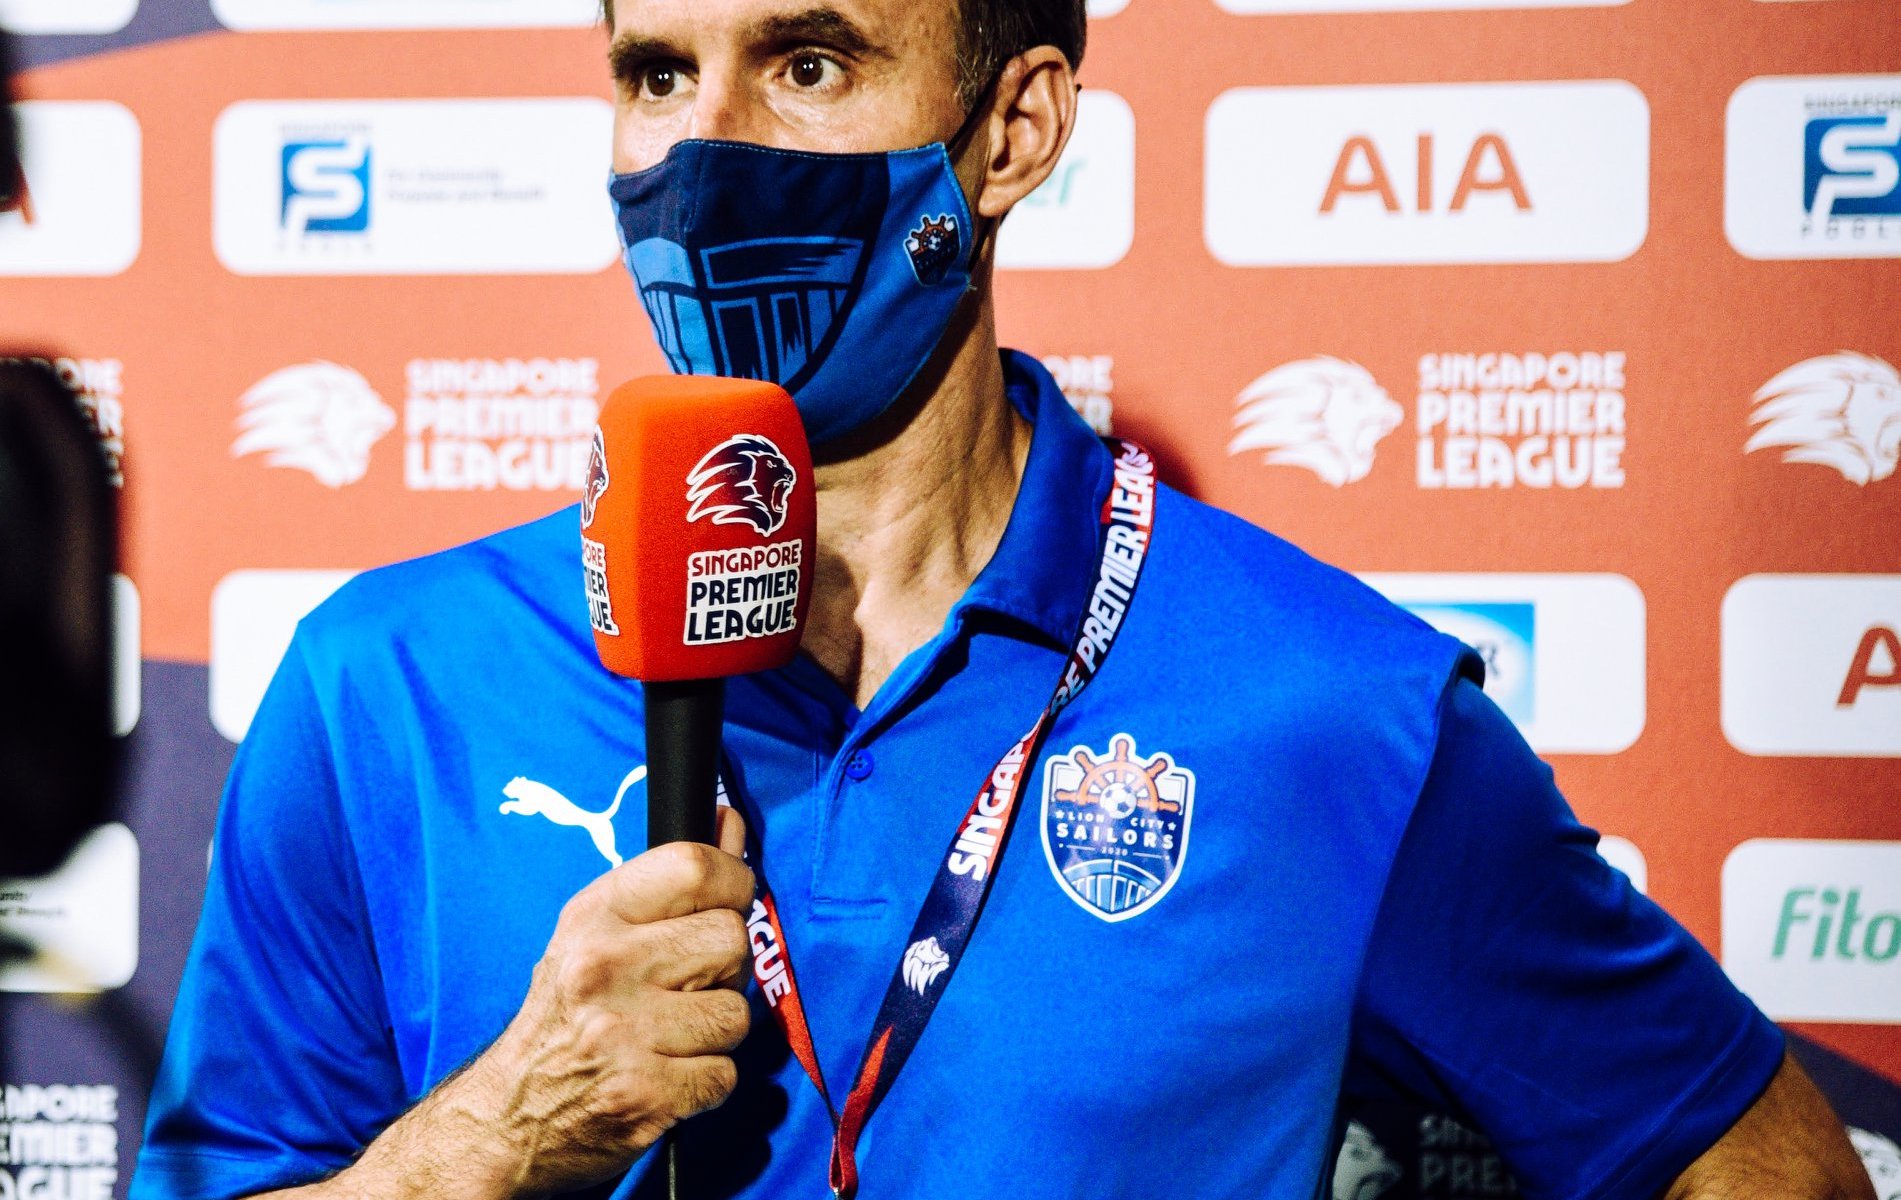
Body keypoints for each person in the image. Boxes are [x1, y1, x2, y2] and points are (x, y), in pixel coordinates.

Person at [133, 1, 1876, 1198]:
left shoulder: (1328, 707)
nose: (707, 153)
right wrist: (483, 1144)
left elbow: (1752, 1156)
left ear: (1015, 129)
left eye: (808, 63)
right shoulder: (388, 682)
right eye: (658, 73)